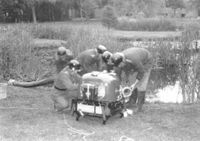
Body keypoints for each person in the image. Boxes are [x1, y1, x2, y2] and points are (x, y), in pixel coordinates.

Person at [110, 47, 153, 112]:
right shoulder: (117, 62)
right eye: (118, 66)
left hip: (146, 61)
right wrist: (120, 86)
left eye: (120, 65)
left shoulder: (134, 59)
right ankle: (132, 102)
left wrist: (135, 84)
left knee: (141, 84)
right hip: (133, 63)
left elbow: (141, 71)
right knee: (131, 81)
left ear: (123, 60)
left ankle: (139, 106)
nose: (119, 67)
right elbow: (118, 75)